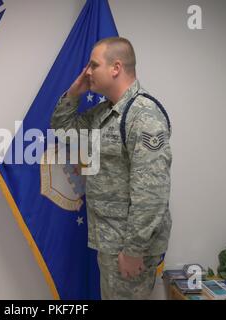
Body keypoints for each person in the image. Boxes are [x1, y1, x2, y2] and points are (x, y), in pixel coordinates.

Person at [50, 37, 172, 299]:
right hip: (110, 240)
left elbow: (152, 193)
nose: (88, 72)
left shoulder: (143, 115)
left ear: (116, 68)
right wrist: (73, 93)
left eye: (94, 65)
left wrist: (134, 250)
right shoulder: (104, 112)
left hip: (127, 247)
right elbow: (62, 129)